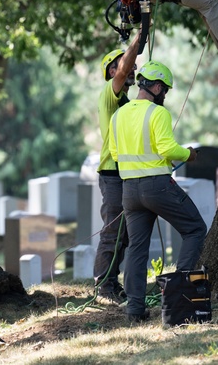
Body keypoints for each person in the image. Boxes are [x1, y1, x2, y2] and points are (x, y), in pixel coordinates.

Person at [111, 60, 207, 322]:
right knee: (195, 229)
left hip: (129, 191)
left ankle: (134, 310)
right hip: (158, 187)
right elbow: (166, 148)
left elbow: (115, 153)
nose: (165, 95)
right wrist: (189, 154)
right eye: (164, 89)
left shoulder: (118, 115)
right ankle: (178, 294)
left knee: (137, 249)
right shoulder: (157, 113)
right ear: (154, 87)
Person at [93, 33, 142, 302]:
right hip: (113, 173)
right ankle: (103, 286)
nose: (132, 67)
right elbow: (124, 69)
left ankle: (113, 284)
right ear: (113, 70)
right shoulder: (110, 95)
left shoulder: (126, 102)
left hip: (127, 172)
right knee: (113, 231)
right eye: (126, 64)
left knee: (124, 233)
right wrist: (139, 36)